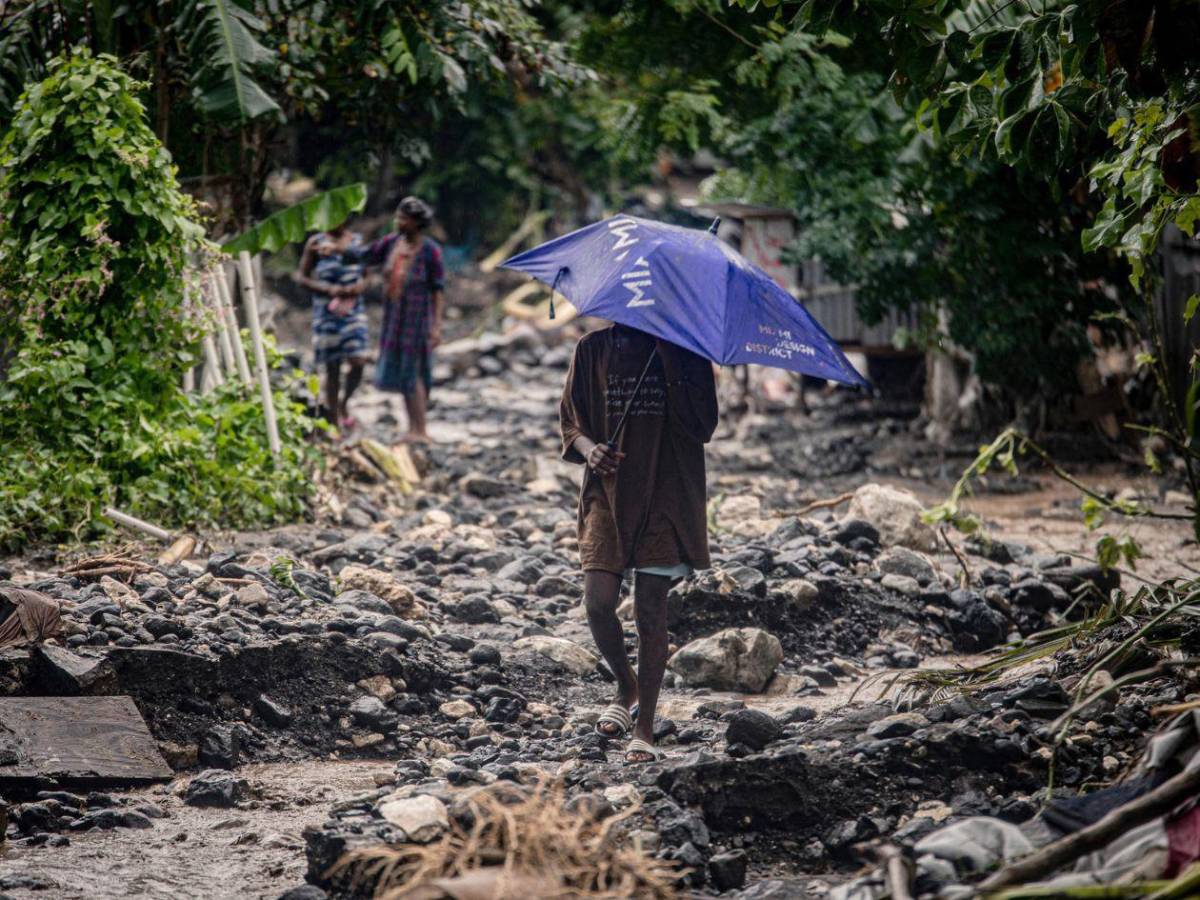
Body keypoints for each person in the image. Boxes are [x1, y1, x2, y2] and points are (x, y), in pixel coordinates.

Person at [559, 323, 718, 764]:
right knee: (597, 602)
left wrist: (671, 362)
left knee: (650, 608)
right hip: (606, 494)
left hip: (666, 495)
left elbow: (703, 425)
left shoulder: (687, 349)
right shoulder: (591, 350)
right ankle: (625, 681)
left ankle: (644, 724)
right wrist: (591, 450)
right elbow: (571, 423)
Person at [346, 196, 445, 443]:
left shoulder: (430, 251)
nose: (398, 222)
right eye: (398, 216)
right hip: (394, 319)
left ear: (416, 223)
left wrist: (436, 326)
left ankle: (420, 430)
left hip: (417, 320)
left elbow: (437, 290)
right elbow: (365, 255)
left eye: (404, 218)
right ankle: (411, 428)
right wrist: (338, 249)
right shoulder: (391, 243)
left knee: (415, 373)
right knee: (403, 372)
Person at [294, 224, 368, 428]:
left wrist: (359, 287)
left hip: (353, 310)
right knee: (332, 366)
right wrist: (328, 289)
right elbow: (301, 277)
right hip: (326, 312)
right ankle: (334, 419)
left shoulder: (357, 242)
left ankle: (344, 403)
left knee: (358, 360)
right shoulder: (316, 243)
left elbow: (367, 273)